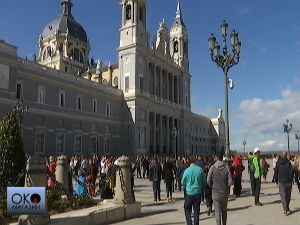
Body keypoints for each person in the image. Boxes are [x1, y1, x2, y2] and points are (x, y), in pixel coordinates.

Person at [207, 153, 232, 225]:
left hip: (215, 192)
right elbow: (230, 181)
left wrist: (212, 186)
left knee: (217, 212)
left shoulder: (212, 167)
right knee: (224, 210)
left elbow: (208, 180)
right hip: (224, 192)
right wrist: (227, 188)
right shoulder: (226, 167)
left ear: (216, 158)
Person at [181, 157, 205, 225]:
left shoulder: (187, 170)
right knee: (196, 211)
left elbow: (182, 181)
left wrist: (187, 184)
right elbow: (204, 181)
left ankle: (189, 223)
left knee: (187, 209)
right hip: (197, 192)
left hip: (189, 193)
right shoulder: (200, 169)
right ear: (195, 162)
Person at [274, 151, 293, 215]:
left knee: (283, 196)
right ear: (286, 155)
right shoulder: (289, 163)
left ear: (282, 155)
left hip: (281, 182)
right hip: (288, 181)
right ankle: (286, 207)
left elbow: (276, 172)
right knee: (288, 195)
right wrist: (291, 181)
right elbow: (291, 173)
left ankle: (285, 209)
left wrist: (276, 180)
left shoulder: (278, 163)